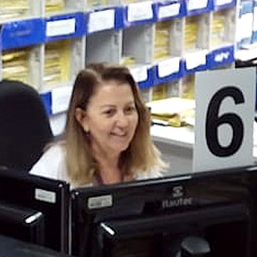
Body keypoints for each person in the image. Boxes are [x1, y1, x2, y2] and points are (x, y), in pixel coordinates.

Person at [30, 63, 166, 188]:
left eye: (129, 109)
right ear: (82, 118)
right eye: (109, 112)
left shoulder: (144, 163)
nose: (123, 122)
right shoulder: (55, 165)